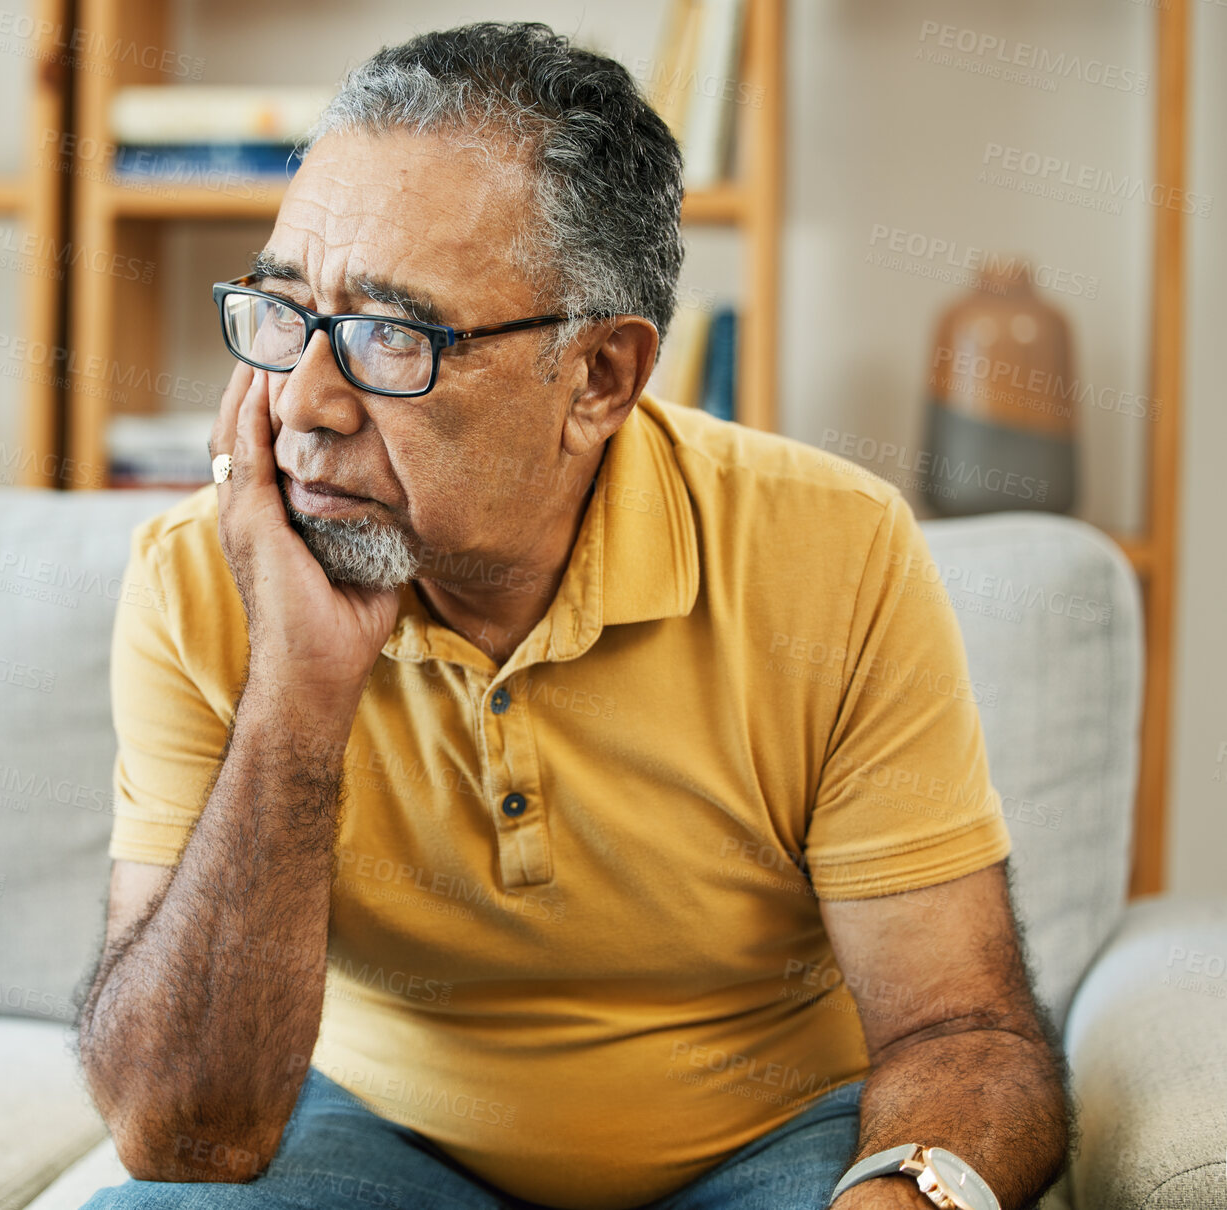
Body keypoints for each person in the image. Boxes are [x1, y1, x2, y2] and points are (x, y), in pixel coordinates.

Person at [76, 22, 1070, 1210]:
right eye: (284, 310)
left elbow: (964, 1028)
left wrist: (899, 1202)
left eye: (393, 333)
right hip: (376, 1141)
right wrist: (295, 697)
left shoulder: (831, 553)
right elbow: (183, 1133)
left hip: (762, 1147)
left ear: (599, 377)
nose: (304, 404)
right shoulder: (202, 574)